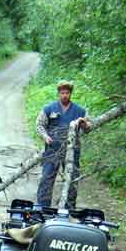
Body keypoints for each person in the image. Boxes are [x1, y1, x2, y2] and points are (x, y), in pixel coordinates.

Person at [35, 80, 91, 208]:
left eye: (67, 93)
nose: (64, 95)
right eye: (62, 93)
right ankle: (42, 206)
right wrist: (45, 137)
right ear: (58, 94)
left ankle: (69, 208)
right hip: (52, 149)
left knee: (71, 179)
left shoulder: (80, 111)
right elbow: (39, 125)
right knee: (46, 178)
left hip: (72, 150)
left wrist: (84, 124)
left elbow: (88, 129)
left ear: (70, 94)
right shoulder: (49, 109)